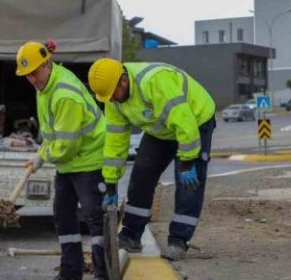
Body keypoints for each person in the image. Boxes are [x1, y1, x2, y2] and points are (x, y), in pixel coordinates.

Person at [87, 59, 216, 261]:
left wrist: (187, 162)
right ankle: (131, 235)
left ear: (122, 80)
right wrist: (110, 184)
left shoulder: (154, 82)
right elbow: (115, 142)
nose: (110, 99)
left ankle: (179, 240)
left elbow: (184, 121)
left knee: (188, 182)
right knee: (142, 173)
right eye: (106, 97)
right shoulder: (113, 100)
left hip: (195, 120)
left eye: (112, 94)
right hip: (161, 128)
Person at [18, 41, 108, 280]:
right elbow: (54, 132)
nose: (32, 79)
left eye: (34, 73)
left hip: (90, 160)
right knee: (63, 213)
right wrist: (40, 154)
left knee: (94, 217)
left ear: (46, 64)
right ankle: (70, 272)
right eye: (27, 75)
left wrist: (43, 156)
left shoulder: (64, 94)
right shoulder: (45, 86)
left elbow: (67, 146)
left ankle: (103, 273)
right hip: (69, 163)